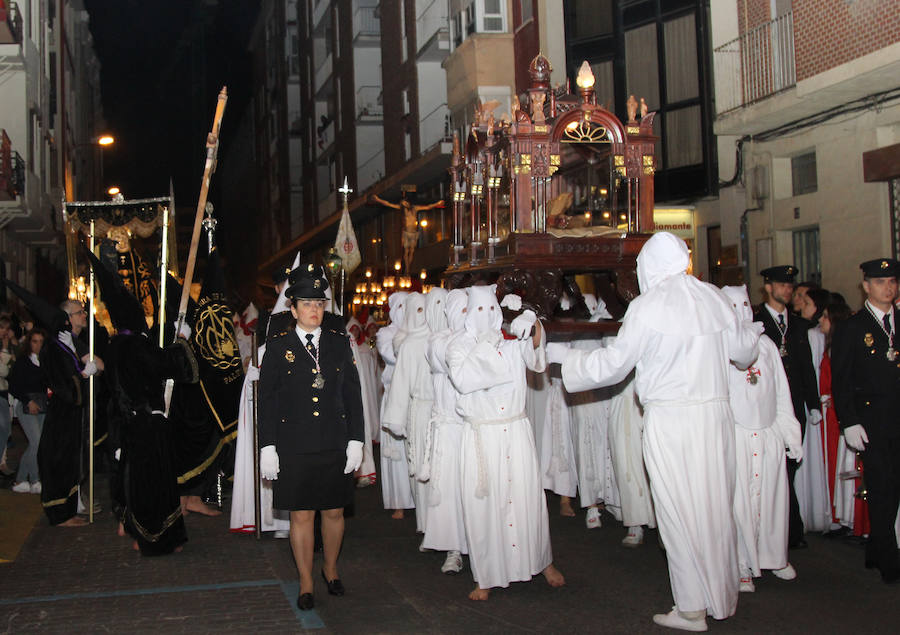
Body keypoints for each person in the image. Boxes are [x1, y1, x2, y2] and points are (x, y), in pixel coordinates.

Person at [550, 232, 761, 631]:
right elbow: (743, 353)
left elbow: (614, 365)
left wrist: (562, 359)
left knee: (677, 511)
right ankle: (722, 596)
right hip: (716, 418)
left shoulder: (648, 308)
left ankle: (692, 608)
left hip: (671, 421)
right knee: (716, 506)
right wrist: (754, 334)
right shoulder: (714, 298)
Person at [446, 285, 565, 601]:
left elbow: (537, 358)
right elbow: (466, 379)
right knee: (485, 506)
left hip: (515, 430)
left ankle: (542, 561)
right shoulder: (457, 346)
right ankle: (486, 575)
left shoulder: (512, 340)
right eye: (479, 311)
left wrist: (533, 320)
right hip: (482, 436)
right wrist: (495, 346)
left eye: (491, 310)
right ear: (470, 315)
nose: (486, 317)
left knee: (527, 499)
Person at [258, 264, 365, 611]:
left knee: (334, 512)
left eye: (319, 304)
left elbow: (352, 393)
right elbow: (268, 399)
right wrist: (268, 446)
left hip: (333, 441)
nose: (314, 310)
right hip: (295, 443)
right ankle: (305, 580)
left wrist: (356, 440)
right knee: (301, 516)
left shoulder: (337, 343)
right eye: (306, 304)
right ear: (293, 309)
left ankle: (330, 570)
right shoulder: (277, 346)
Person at [722, 286, 802, 593]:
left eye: (744, 304)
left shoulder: (767, 345)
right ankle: (741, 562)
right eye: (733, 306)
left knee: (771, 500)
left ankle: (773, 556)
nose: (740, 311)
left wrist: (789, 432)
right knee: (738, 502)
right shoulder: (719, 347)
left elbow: (782, 392)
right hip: (738, 434)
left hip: (767, 434)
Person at [831, 258, 900, 583]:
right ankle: (889, 557)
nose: (889, 287)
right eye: (881, 282)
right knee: (882, 487)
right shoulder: (853, 327)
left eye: (892, 282)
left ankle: (877, 547)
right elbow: (841, 379)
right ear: (866, 287)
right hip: (872, 421)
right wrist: (849, 421)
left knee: (896, 488)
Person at [754, 266, 821, 549]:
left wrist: (813, 403)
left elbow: (806, 366)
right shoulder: (756, 322)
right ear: (768, 288)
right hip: (767, 407)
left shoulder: (797, 325)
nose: (788, 290)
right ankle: (785, 531)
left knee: (790, 466)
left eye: (790, 286)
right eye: (782, 285)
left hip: (793, 406)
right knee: (771, 468)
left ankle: (789, 530)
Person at [422, 288, 469, 573]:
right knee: (450, 490)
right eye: (462, 310)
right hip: (449, 429)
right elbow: (445, 361)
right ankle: (454, 547)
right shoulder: (439, 341)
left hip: (473, 426)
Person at [376, 291, 415, 518]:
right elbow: (392, 356)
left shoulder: (420, 332)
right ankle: (399, 500)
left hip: (416, 397)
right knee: (396, 451)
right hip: (394, 396)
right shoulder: (386, 333)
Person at [8, 328, 47, 493]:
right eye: (34, 341)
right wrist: (28, 400)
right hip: (26, 405)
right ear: (29, 343)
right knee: (36, 443)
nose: (38, 345)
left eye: (41, 342)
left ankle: (23, 479)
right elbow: (14, 385)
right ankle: (33, 478)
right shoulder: (23, 362)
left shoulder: (46, 361)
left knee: (36, 444)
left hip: (43, 405)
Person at [370, 193, 445, 273]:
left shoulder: (415, 208)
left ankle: (408, 267)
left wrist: (437, 203)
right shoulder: (402, 209)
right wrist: (378, 199)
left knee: (412, 251)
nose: (403, 204)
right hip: (406, 232)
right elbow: (388, 204)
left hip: (413, 232)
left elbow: (427, 207)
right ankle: (407, 269)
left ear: (407, 202)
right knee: (406, 251)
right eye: (402, 203)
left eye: (404, 202)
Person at [0, 314, 17, 477]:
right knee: (4, 427)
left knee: (5, 428)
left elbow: (15, 365)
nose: (4, 332)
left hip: (5, 390)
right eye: (1, 328)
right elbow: (3, 370)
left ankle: (2, 462)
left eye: (7, 328)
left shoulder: (8, 344)